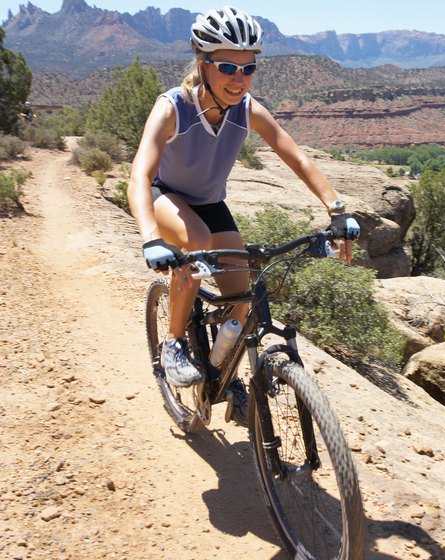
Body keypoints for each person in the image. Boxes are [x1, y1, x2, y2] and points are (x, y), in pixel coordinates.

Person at [128, 6, 360, 426]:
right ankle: (174, 342)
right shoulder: (173, 107)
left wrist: (337, 209)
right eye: (228, 67)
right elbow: (140, 175)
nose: (239, 78)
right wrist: (150, 236)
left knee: (243, 298)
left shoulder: (247, 109)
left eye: (248, 68)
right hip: (166, 196)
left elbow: (296, 157)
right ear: (204, 65)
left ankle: (221, 373)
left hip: (210, 203)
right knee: (195, 242)